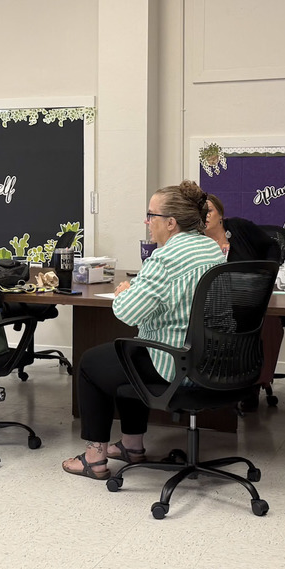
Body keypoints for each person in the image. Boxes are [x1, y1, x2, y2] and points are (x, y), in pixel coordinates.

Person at [61, 180, 224, 480]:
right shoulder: (211, 249)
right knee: (129, 350)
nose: (147, 222)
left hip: (175, 362)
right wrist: (139, 289)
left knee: (92, 363)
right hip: (211, 359)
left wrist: (124, 293)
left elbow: (129, 312)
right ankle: (131, 446)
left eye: (152, 215)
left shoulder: (164, 257)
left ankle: (94, 457)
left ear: (171, 223)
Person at [204, 193, 285, 410]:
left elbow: (272, 246)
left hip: (253, 298)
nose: (205, 215)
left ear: (220, 214)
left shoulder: (240, 228)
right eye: (200, 211)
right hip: (218, 302)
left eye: (209, 210)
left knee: (267, 321)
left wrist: (267, 272)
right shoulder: (195, 242)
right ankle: (220, 383)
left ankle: (254, 383)